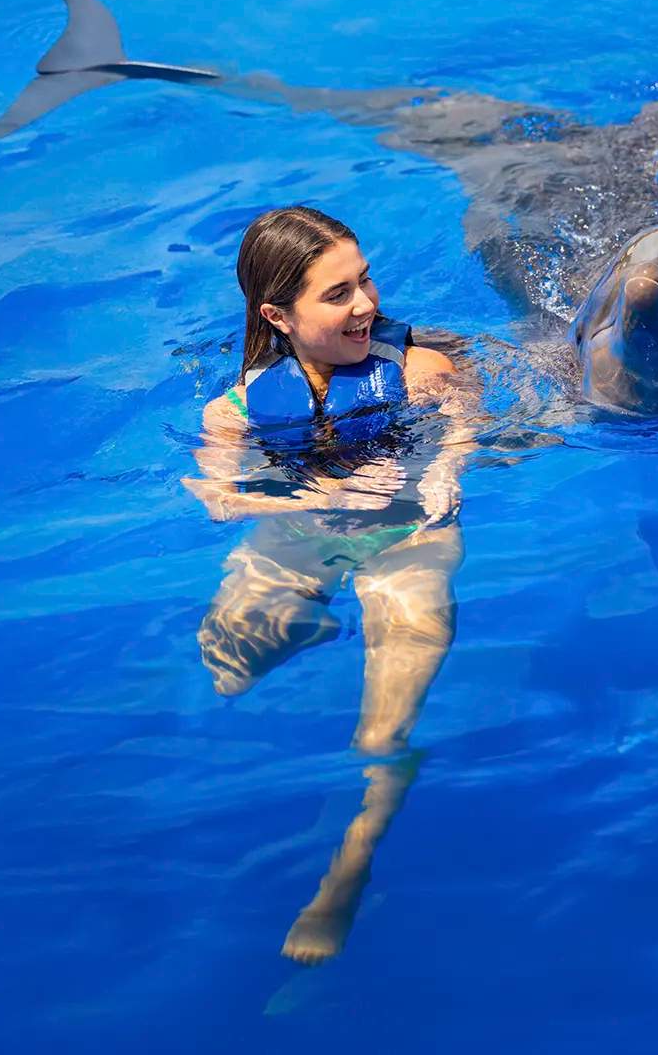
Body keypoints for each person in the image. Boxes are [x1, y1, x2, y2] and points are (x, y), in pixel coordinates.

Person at [183, 203, 476, 965]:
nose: (368, 304)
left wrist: (444, 472)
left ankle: (349, 868)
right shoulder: (238, 411)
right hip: (303, 537)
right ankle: (312, 617)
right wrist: (317, 501)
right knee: (225, 672)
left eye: (365, 280)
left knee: (381, 735)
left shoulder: (417, 372)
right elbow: (218, 500)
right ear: (277, 315)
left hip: (408, 540)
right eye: (338, 293)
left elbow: (466, 419)